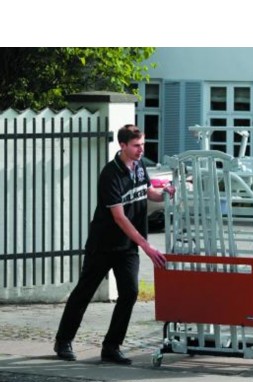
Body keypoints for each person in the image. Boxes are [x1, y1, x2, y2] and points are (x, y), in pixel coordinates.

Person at [54, 124, 175, 364]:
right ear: (122, 145)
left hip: (127, 247)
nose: (141, 150)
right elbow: (119, 217)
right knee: (84, 293)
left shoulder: (139, 165)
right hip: (104, 244)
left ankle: (111, 346)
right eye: (136, 145)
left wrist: (164, 194)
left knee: (129, 293)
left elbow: (147, 191)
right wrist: (146, 246)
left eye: (143, 144)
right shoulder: (110, 174)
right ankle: (63, 340)